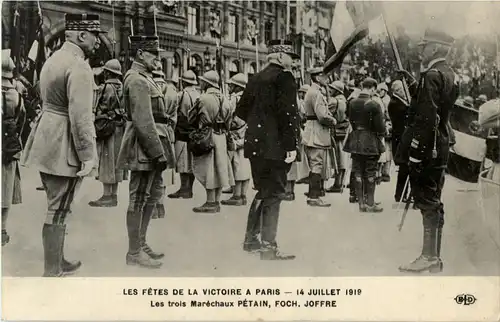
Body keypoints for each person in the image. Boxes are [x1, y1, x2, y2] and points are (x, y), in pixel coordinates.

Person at [21, 14, 104, 276]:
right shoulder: (78, 66)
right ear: (81, 35)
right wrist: (89, 156)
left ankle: (58, 260)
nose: (97, 42)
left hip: (46, 139)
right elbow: (81, 118)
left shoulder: (54, 59)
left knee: (56, 204)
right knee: (59, 208)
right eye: (94, 36)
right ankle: (52, 269)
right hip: (64, 145)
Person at [395, 29, 459, 273]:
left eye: (424, 46)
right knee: (435, 200)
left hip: (427, 147)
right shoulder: (448, 73)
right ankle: (435, 257)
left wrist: (415, 151)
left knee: (426, 201)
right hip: (440, 144)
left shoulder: (431, 75)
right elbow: (436, 105)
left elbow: (426, 116)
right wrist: (412, 84)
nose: (420, 50)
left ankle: (428, 257)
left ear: (434, 48)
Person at [236, 39, 301, 260]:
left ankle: (251, 240)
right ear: (280, 56)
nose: (293, 61)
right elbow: (288, 115)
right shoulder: (285, 78)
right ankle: (268, 247)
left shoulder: (255, 78)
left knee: (262, 191)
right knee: (274, 194)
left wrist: (260, 122)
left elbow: (241, 111)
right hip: (276, 147)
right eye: (291, 57)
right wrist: (291, 146)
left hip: (255, 145)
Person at [117, 35, 175, 268]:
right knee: (138, 197)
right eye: (154, 55)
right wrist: (157, 152)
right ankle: (134, 251)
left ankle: (140, 243)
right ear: (140, 54)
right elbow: (143, 120)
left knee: (151, 194)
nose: (158, 60)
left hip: (150, 145)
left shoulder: (145, 78)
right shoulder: (136, 79)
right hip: (144, 147)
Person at [190, 70, 233, 213]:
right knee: (220, 168)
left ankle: (210, 202)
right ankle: (216, 201)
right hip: (222, 136)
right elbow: (229, 121)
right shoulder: (226, 99)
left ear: (207, 83)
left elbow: (192, 118)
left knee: (208, 168)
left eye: (202, 81)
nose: (200, 83)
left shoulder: (203, 98)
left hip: (207, 135)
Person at [88, 58, 127, 207]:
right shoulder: (122, 87)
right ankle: (114, 195)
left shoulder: (105, 88)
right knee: (116, 160)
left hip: (107, 126)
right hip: (119, 127)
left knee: (106, 160)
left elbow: (100, 107)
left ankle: (106, 195)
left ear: (108, 72)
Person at [343, 77, 385, 213]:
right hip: (370, 141)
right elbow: (380, 128)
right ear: (372, 88)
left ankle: (361, 203)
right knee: (370, 172)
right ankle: (370, 203)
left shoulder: (352, 102)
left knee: (358, 172)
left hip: (355, 140)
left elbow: (350, 120)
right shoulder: (374, 104)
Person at [302, 67, 337, 207]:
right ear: (317, 78)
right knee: (317, 165)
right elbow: (322, 116)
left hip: (312, 130)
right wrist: (333, 120)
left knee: (314, 164)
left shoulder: (312, 91)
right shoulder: (316, 93)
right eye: (324, 76)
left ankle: (313, 195)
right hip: (317, 131)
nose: (327, 79)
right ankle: (314, 197)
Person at [2, 56, 26, 246]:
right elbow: (22, 119)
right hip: (10, 144)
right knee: (7, 186)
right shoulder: (16, 94)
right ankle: (2, 229)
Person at [221, 73, 251, 206]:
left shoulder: (235, 98)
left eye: (232, 85)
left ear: (237, 86)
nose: (230, 87)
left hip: (237, 131)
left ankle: (237, 195)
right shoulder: (250, 97)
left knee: (237, 164)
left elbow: (230, 115)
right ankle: (243, 195)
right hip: (248, 131)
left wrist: (229, 126)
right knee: (245, 164)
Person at [168, 70, 199, 199]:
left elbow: (175, 111)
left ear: (184, 81)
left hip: (181, 131)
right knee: (191, 161)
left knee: (182, 160)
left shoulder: (181, 94)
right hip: (194, 131)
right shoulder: (198, 94)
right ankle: (188, 189)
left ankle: (184, 188)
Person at [388, 80, 411, 202]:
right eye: (403, 89)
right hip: (400, 139)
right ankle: (400, 194)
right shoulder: (395, 103)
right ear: (397, 90)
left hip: (402, 138)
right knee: (404, 167)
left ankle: (402, 194)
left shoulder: (400, 102)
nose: (404, 92)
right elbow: (404, 114)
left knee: (405, 167)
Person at [326, 81, 349, 193]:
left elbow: (325, 113)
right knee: (342, 157)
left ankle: (338, 184)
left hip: (336, 130)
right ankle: (339, 183)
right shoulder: (344, 100)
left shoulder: (334, 101)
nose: (330, 90)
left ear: (337, 90)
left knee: (337, 158)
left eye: (332, 88)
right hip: (343, 130)